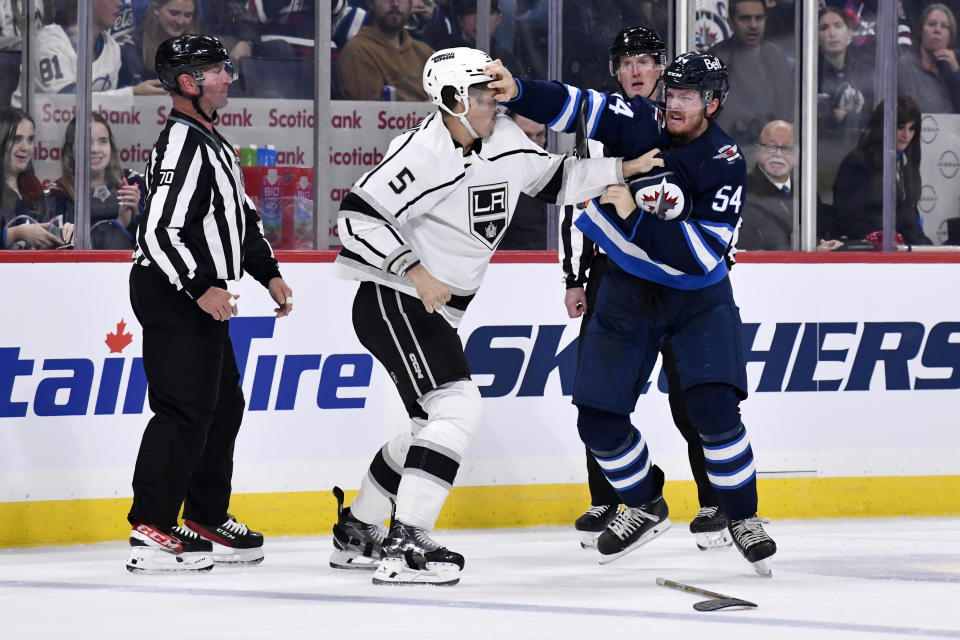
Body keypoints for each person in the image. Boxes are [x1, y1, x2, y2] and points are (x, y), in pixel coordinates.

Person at [330, 46, 658, 586]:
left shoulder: (504, 137)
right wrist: (414, 269)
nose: (496, 99)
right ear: (452, 100)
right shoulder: (421, 152)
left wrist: (622, 168)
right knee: (457, 408)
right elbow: (356, 218)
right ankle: (406, 542)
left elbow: (556, 180)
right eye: (483, 92)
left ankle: (360, 529)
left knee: (425, 428)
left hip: (432, 309)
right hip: (394, 298)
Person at [490, 50, 778, 576]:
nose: (673, 103)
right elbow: (581, 107)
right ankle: (645, 502)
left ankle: (743, 516)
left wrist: (633, 218)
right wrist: (518, 91)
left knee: (714, 414)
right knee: (597, 419)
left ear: (712, 103)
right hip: (625, 289)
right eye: (671, 92)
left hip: (698, 299)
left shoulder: (725, 160)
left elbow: (701, 255)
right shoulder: (643, 120)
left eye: (687, 96)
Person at [557, 27, 731, 553]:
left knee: (692, 393)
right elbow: (575, 201)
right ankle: (617, 500)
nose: (636, 70)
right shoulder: (601, 125)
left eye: (646, 61)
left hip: (681, 281)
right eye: (626, 61)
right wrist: (572, 276)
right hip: (615, 277)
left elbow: (717, 200)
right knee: (598, 389)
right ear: (615, 70)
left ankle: (717, 500)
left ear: (663, 69)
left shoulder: (686, 126)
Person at [125, 34, 294, 574]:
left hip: (199, 298)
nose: (228, 77)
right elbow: (158, 232)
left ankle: (203, 513)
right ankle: (151, 526)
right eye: (218, 70)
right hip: (174, 294)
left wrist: (267, 273)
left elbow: (241, 219)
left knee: (222, 407)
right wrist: (201, 287)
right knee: (184, 411)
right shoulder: (180, 144)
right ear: (188, 83)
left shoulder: (213, 142)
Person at [12, 0, 165, 106]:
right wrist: (132, 94)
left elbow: (107, 108)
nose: (120, 3)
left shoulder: (112, 48)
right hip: (34, 140)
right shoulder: (49, 41)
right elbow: (65, 103)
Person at [829, 93, 932, 246]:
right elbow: (847, 218)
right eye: (900, 127)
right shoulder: (857, 163)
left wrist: (928, 251)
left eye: (912, 129)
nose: (906, 135)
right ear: (883, 126)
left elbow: (909, 222)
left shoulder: (905, 165)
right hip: (865, 254)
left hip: (899, 252)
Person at [44, 112, 145, 249]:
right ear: (69, 150)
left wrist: (137, 215)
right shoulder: (57, 194)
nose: (95, 149)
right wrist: (119, 224)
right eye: (86, 142)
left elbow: (156, 241)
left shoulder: (134, 183)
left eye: (103, 141)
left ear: (111, 146)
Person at [708, 0, 793, 149]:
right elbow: (724, 120)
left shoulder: (776, 54)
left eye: (759, 18)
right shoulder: (716, 59)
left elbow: (787, 108)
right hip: (737, 148)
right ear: (730, 23)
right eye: (745, 18)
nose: (753, 25)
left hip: (778, 147)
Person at [336, 0, 433, 101]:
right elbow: (371, 110)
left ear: (410, 4)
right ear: (371, 4)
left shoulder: (424, 52)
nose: (395, 3)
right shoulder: (357, 50)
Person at [0, 106, 63, 249]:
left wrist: (62, 232)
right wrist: (16, 234)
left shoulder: (33, 187)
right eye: (17, 139)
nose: (26, 147)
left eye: (30, 140)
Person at [739, 120, 794, 251]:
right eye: (771, 146)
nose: (778, 154)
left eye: (786, 148)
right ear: (758, 150)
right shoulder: (743, 191)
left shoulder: (806, 190)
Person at [118, 0, 199, 88]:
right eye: (174, 13)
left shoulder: (196, 49)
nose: (180, 21)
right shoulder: (130, 50)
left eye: (188, 15)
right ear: (155, 8)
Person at [497, 109, 547, 249]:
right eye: (526, 136)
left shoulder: (554, 177)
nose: (534, 143)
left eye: (540, 135)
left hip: (553, 266)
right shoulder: (493, 180)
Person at [898, 3, 960, 114]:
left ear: (950, 37)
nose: (937, 30)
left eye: (944, 26)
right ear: (921, 31)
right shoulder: (906, 66)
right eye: (931, 24)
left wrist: (955, 72)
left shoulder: (950, 69)